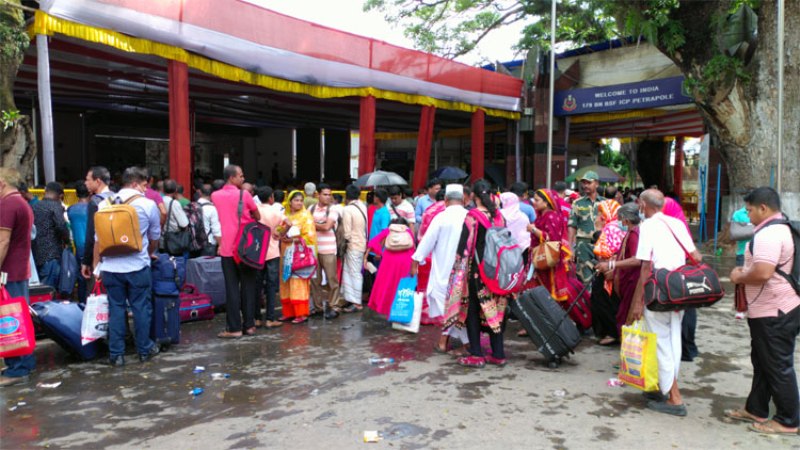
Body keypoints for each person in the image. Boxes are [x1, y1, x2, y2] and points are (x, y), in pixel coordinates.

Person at [726, 187, 800, 435]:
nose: (747, 216)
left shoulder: (770, 234)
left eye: (749, 210)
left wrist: (739, 276)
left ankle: (789, 420)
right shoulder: (780, 228)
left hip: (775, 311)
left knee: (778, 365)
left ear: (763, 209)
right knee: (763, 361)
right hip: (772, 309)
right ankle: (756, 408)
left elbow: (763, 272)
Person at [629, 189, 700, 417]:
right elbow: (696, 256)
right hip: (678, 290)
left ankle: (674, 397)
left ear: (642, 205)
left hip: (658, 291)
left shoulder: (647, 227)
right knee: (672, 341)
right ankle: (664, 388)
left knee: (661, 344)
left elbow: (645, 267)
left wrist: (638, 302)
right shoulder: (677, 223)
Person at [96, 167, 162, 366]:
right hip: (137, 265)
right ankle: (144, 349)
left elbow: (98, 240)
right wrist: (149, 253)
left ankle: (116, 355)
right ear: (134, 183)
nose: (145, 189)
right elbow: (155, 236)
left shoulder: (104, 204)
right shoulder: (147, 204)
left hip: (111, 267)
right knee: (141, 307)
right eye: (143, 185)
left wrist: (96, 265)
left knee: (116, 309)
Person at [442, 180, 507, 368]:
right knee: (495, 311)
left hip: (477, 273)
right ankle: (498, 354)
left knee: (472, 311)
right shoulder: (499, 216)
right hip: (497, 272)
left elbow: (463, 247)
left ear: (472, 197)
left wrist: (455, 272)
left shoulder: (473, 216)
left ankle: (477, 354)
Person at [411, 184, 469, 354]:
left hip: (444, 271)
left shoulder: (440, 218)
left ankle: (451, 341)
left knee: (448, 307)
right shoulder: (470, 217)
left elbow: (427, 242)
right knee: (459, 307)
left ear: (445, 200)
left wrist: (415, 260)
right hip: (465, 271)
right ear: (464, 200)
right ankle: (455, 341)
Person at [527, 189, 590, 333]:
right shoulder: (542, 215)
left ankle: (563, 324)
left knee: (556, 294)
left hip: (551, 262)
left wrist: (534, 230)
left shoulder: (552, 216)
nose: (534, 203)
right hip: (541, 261)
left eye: (537, 200)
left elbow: (553, 240)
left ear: (547, 202)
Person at [211, 164, 261, 338]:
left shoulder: (215, 196)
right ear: (231, 177)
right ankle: (249, 326)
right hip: (245, 249)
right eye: (240, 176)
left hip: (226, 249)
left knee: (231, 288)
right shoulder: (245, 194)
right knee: (248, 287)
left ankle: (234, 328)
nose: (243, 178)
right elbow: (258, 216)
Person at [0, 168, 36, 387]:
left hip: (8, 272)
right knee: (19, 318)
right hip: (19, 270)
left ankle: (17, 368)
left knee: (9, 320)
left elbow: (3, 241)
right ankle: (24, 363)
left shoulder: (8, 204)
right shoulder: (21, 202)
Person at [595, 203, 642, 337]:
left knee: (626, 316)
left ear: (626, 220)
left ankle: (628, 352)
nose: (619, 223)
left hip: (632, 280)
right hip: (627, 278)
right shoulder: (632, 232)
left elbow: (636, 260)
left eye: (620, 219)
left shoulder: (634, 234)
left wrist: (611, 265)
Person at [278, 191, 316, 323]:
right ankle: (288, 312)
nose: (299, 203)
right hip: (285, 253)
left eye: (301, 200)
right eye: (296, 200)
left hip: (299, 254)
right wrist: (281, 234)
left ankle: (301, 313)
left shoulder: (306, 216)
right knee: (285, 281)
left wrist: (294, 239)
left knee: (298, 282)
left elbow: (310, 236)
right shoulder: (285, 215)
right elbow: (278, 231)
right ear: (290, 202)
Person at [590, 199, 624, 345]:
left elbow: (605, 252)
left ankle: (612, 332)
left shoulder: (611, 228)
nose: (599, 217)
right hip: (613, 269)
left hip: (609, 270)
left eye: (601, 214)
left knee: (604, 300)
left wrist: (598, 231)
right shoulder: (620, 226)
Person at [365, 217, 415, 316]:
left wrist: (368, 257)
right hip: (405, 261)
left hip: (389, 261)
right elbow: (413, 247)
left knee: (387, 285)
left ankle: (388, 309)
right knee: (403, 287)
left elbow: (373, 242)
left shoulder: (389, 230)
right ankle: (401, 312)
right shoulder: (408, 231)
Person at [308, 183, 341, 319]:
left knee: (331, 279)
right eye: (325, 194)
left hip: (328, 249)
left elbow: (327, 226)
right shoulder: (311, 208)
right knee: (315, 280)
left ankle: (334, 306)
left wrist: (311, 224)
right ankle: (318, 307)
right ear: (318, 195)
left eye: (329, 194)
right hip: (314, 249)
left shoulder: (333, 210)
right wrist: (319, 224)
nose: (328, 197)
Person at [568, 171, 606, 284]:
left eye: (589, 183)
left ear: (597, 184)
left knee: (602, 278)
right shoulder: (577, 203)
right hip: (583, 245)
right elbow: (572, 225)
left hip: (602, 245)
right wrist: (570, 248)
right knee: (585, 279)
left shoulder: (606, 203)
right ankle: (587, 301)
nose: (585, 185)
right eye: (583, 183)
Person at [255, 186, 285, 329]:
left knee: (257, 285)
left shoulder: (255, 211)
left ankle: (256, 318)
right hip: (272, 252)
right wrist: (279, 233)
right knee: (271, 287)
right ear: (271, 198)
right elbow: (289, 223)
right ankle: (270, 318)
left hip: (257, 252)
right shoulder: (275, 212)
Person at [31, 182, 70, 288]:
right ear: (61, 196)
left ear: (45, 192)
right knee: (49, 289)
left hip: (36, 254)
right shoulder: (55, 206)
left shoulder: (35, 206)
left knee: (38, 290)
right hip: (51, 253)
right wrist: (67, 241)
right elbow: (61, 226)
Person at [339, 185, 368, 313]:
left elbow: (346, 231)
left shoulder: (348, 209)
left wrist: (344, 242)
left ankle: (356, 302)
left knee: (353, 273)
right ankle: (351, 299)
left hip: (352, 244)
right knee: (352, 272)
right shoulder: (362, 206)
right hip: (361, 243)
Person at [81, 166, 114, 280]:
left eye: (88, 179)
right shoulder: (115, 198)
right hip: (116, 253)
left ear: (98, 181)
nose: (85, 183)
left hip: (100, 256)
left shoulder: (95, 202)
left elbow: (91, 235)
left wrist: (86, 261)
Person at [67, 182, 90, 301]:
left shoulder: (71, 210)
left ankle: (82, 304)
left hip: (79, 248)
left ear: (76, 194)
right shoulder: (93, 208)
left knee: (81, 278)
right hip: (92, 247)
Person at [162, 179, 190, 254]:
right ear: (175, 190)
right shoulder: (174, 203)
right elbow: (184, 224)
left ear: (163, 190)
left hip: (161, 238)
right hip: (173, 238)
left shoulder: (159, 202)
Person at [196, 184, 221, 256]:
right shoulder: (212, 209)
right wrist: (220, 245)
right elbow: (216, 230)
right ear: (211, 194)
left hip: (194, 243)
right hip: (208, 243)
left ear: (200, 192)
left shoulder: (193, 206)